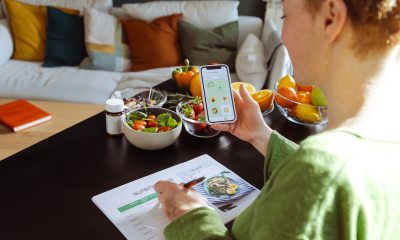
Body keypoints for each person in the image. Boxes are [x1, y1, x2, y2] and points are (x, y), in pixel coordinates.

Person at [154, 0, 400, 239]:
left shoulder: (321, 173)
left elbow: (322, 176)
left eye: (286, 16)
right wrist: (261, 135)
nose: (282, 34)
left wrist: (190, 213)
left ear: (330, 17)